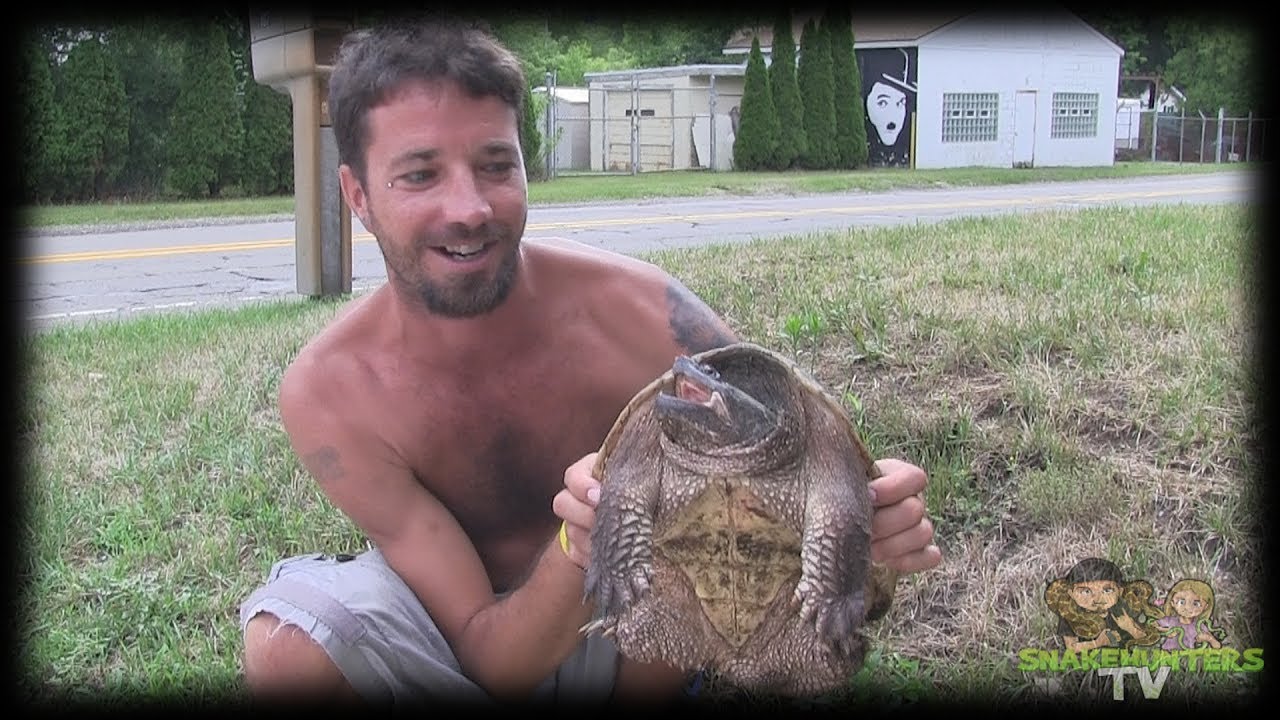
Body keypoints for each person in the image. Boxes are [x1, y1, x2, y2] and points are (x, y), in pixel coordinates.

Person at [238, 16, 942, 708]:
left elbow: (795, 465)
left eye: (496, 164)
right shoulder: (331, 392)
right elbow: (490, 657)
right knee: (287, 646)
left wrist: (869, 516)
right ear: (357, 194)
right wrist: (579, 539)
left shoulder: (643, 313)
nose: (471, 207)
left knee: (693, 514)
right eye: (420, 175)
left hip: (633, 624)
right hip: (455, 629)